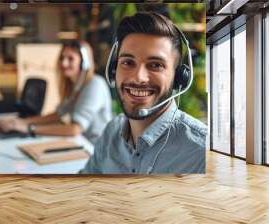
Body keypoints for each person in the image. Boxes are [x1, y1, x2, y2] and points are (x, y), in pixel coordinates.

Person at [80, 12, 207, 174]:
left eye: (155, 64)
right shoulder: (111, 132)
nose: (138, 78)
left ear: (178, 76)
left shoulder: (201, 152)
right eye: (127, 62)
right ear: (114, 70)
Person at [0, 40, 113, 144]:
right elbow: (58, 115)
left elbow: (75, 129)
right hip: (83, 144)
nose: (64, 63)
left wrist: (30, 128)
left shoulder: (95, 84)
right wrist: (21, 122)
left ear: (84, 63)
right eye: (62, 58)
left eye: (70, 58)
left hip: (96, 149)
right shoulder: (77, 87)